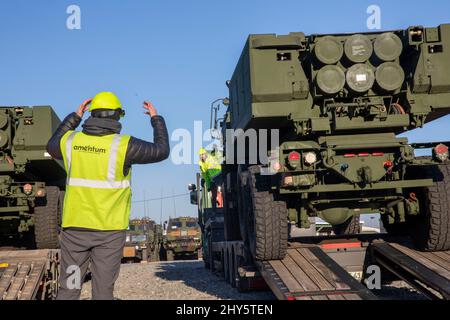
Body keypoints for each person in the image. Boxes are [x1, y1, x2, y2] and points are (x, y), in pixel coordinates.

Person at [46, 92, 170, 300]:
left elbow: (51, 146)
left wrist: (74, 117)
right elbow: (161, 150)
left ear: (91, 113)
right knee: (103, 291)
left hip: (75, 231)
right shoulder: (125, 145)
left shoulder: (71, 142)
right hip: (109, 233)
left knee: (70, 288)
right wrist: (156, 119)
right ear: (118, 116)